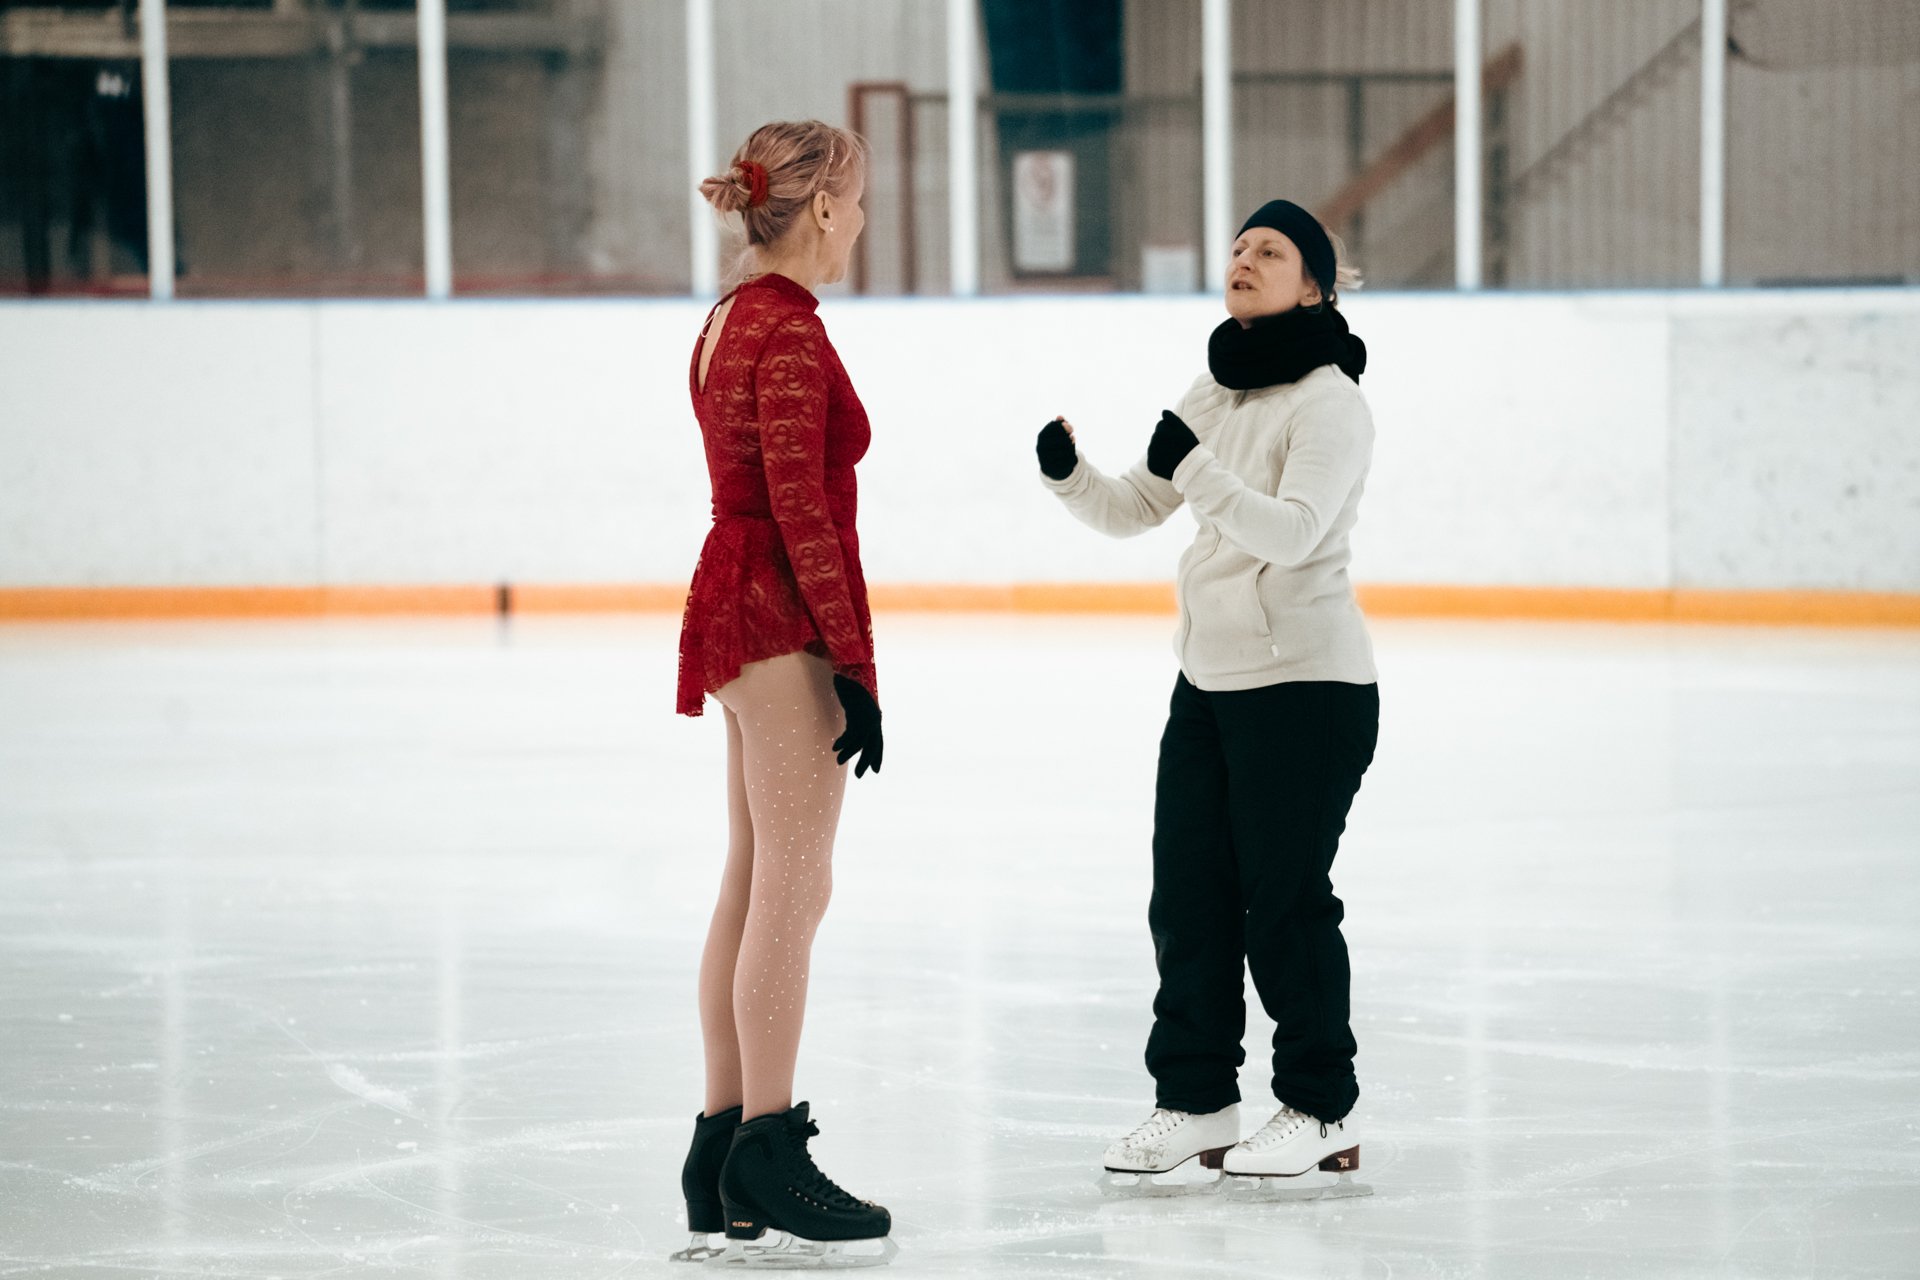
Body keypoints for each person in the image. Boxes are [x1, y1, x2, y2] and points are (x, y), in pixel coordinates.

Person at [1036, 199, 1380, 1198]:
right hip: (1210, 684)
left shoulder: (1330, 403)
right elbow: (1140, 505)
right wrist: (1071, 476)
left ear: (1313, 283)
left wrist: (1197, 467)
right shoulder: (1214, 389)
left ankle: (1319, 1106)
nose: (1244, 258)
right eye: (1236, 246)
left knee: (1284, 900)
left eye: (1269, 250)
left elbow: (1294, 530)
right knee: (1186, 898)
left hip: (1308, 687)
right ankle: (1196, 1102)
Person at [670, 119, 894, 1265]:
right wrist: (854, 663)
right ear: (817, 208)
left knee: (755, 876)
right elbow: (806, 515)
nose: (860, 221)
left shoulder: (724, 319)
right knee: (794, 889)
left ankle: (719, 1144)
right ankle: (766, 1138)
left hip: (730, 602)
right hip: (778, 614)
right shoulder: (792, 332)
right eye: (854, 202)